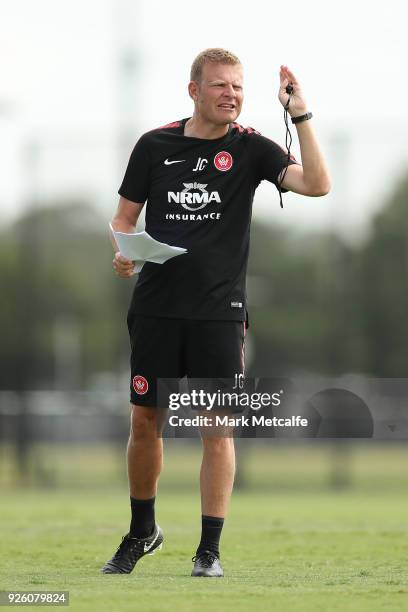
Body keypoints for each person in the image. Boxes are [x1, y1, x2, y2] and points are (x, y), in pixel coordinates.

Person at [101, 48, 331, 578]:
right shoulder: (154, 145)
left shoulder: (250, 149)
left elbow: (318, 185)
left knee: (216, 429)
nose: (232, 94)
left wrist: (301, 115)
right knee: (144, 422)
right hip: (156, 310)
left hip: (219, 315)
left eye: (239, 87)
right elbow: (123, 218)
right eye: (221, 86)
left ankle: (209, 551)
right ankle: (142, 531)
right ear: (194, 90)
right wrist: (123, 252)